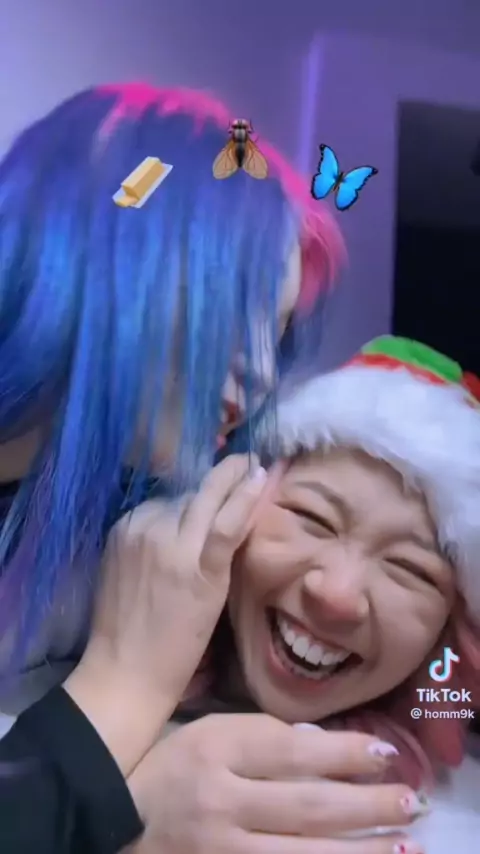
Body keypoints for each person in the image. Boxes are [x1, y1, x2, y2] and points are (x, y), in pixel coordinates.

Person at [0, 81, 346, 852]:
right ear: (102, 261)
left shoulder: (106, 525)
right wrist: (119, 701)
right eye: (238, 305)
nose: (263, 372)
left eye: (277, 331)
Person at [127, 335, 480, 854]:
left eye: (408, 570)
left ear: (447, 636)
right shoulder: (57, 681)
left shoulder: (457, 819)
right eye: (313, 518)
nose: (337, 595)